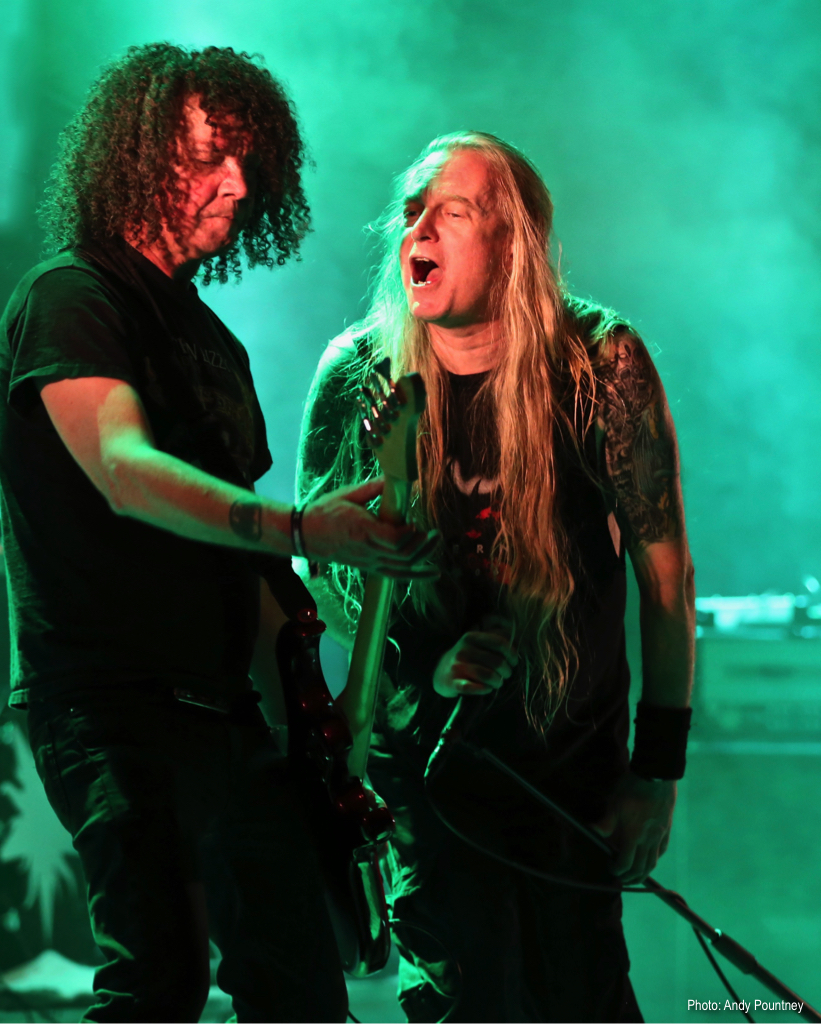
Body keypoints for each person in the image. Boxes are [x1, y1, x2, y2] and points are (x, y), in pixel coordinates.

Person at [0, 43, 435, 1023]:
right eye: (207, 157)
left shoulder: (215, 341)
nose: (235, 183)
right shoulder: (71, 297)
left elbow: (250, 563)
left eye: (248, 162)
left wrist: (327, 707)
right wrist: (301, 523)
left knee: (302, 992)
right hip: (112, 701)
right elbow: (124, 470)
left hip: (232, 714)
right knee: (158, 981)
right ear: (135, 156)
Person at [297, 131, 695, 1022]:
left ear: (512, 244)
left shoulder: (599, 361)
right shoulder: (358, 373)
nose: (418, 230)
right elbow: (315, 568)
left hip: (569, 766)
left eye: (452, 212)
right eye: (412, 211)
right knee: (457, 997)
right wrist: (421, 659)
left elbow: (667, 579)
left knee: (582, 995)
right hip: (426, 773)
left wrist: (656, 771)